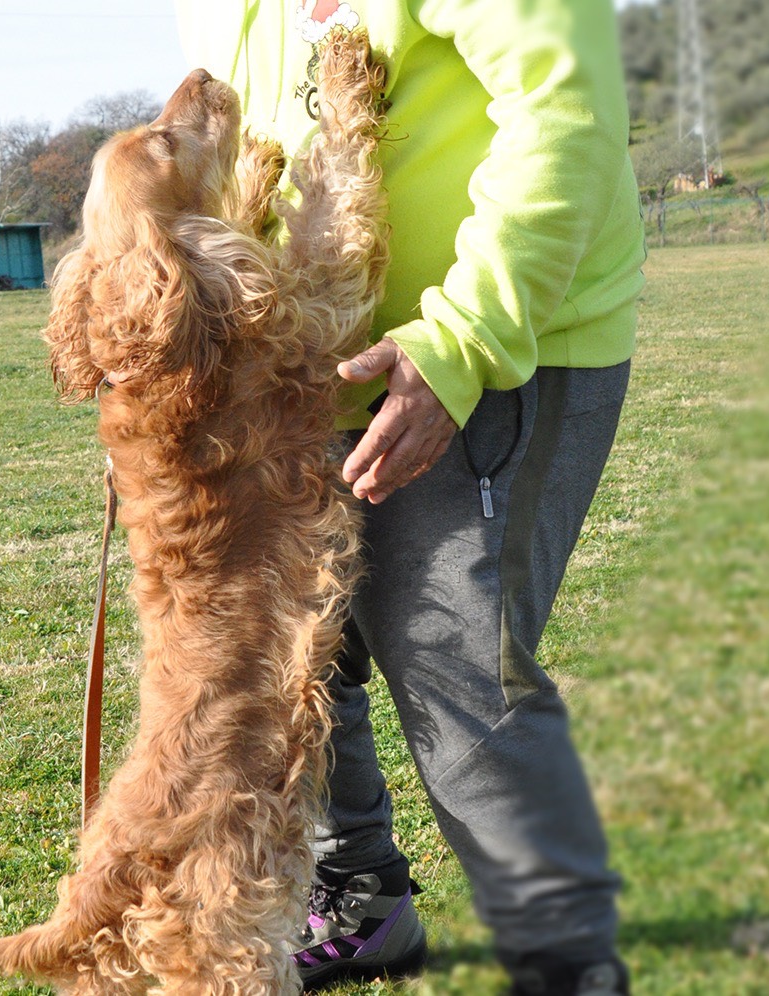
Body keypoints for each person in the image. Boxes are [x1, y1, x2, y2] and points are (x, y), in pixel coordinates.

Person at [172, 2, 646, 994]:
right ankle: (359, 894)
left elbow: (566, 114)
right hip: (298, 373)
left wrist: (458, 345)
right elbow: (217, 163)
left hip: (500, 349)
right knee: (299, 648)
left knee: (458, 675)